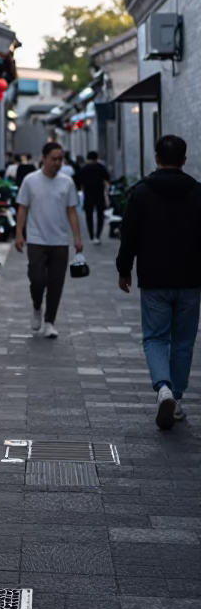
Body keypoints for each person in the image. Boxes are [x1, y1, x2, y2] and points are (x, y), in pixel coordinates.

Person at [117, 134, 201, 430]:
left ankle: (162, 388)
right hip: (191, 278)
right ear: (184, 160)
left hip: (154, 279)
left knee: (155, 337)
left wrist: (124, 268)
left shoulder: (141, 192)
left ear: (156, 158)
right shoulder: (197, 192)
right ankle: (175, 397)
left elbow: (129, 234)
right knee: (183, 340)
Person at [15, 142, 84, 337]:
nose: (57, 163)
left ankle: (49, 322)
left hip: (60, 241)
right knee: (37, 279)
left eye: (60, 159)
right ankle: (37, 306)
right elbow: (22, 208)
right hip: (36, 240)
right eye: (53, 159)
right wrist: (19, 234)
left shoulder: (67, 182)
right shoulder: (30, 181)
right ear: (43, 159)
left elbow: (72, 211)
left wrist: (77, 238)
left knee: (56, 283)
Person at [79, 150, 110, 244]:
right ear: (96, 158)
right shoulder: (101, 167)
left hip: (88, 194)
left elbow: (79, 181)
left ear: (87, 158)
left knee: (89, 216)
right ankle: (98, 235)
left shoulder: (84, 168)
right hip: (99, 193)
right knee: (100, 215)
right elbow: (107, 178)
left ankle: (92, 236)